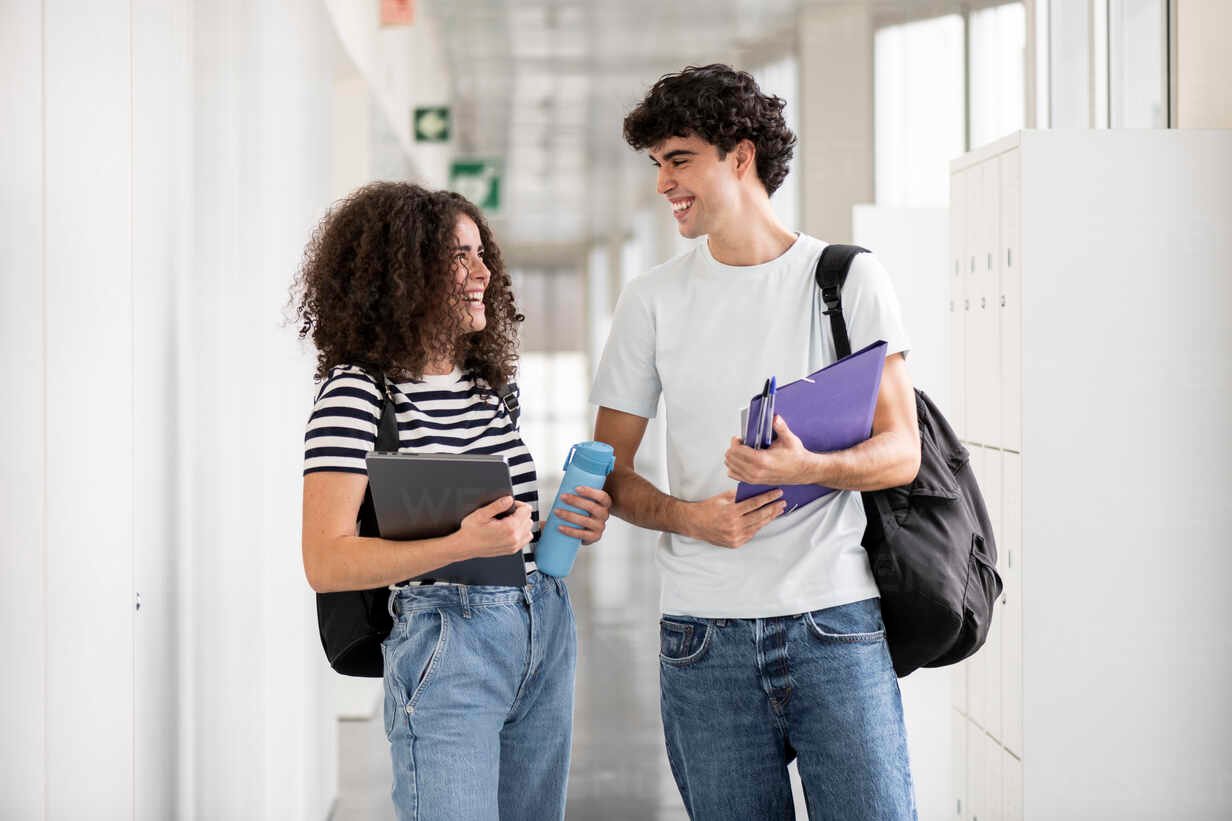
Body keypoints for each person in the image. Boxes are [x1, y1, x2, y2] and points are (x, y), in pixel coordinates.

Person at [589, 64, 920, 819]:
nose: (664, 183)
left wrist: (812, 466)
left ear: (740, 157)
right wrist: (690, 516)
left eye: (679, 160)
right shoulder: (652, 301)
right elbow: (612, 471)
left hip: (835, 621)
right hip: (704, 638)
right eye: (657, 165)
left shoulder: (847, 279)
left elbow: (902, 450)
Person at [294, 182, 612, 821]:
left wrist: (557, 524)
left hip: (542, 624)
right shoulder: (358, 397)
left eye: (480, 252)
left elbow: (496, 521)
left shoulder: (489, 387)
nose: (482, 273)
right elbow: (324, 561)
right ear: (402, 277)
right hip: (446, 639)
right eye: (458, 258)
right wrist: (462, 546)